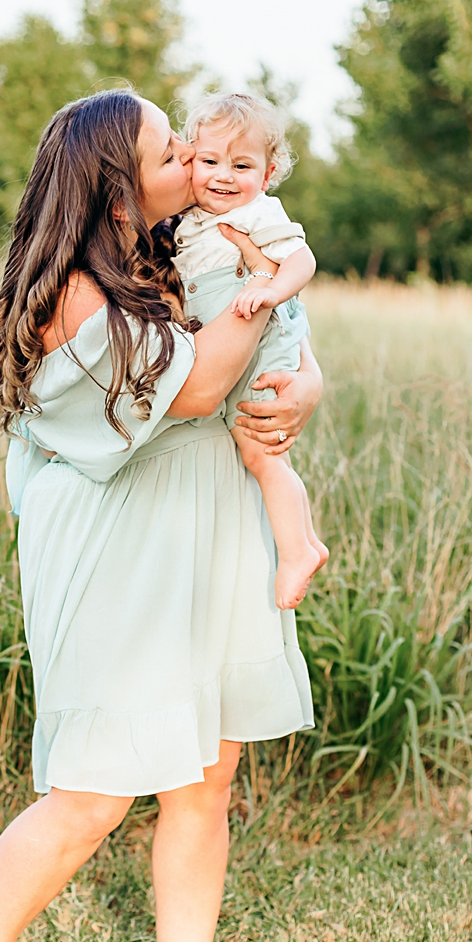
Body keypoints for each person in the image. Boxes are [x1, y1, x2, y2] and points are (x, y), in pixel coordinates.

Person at [0, 88, 319, 942]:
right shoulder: (71, 288)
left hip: (207, 513)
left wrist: (303, 381)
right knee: (95, 786)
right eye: (170, 150)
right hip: (115, 545)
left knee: (206, 776)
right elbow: (193, 384)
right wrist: (265, 286)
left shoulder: (181, 246)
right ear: (117, 185)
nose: (193, 159)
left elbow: (272, 351)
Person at [174, 92, 329, 610]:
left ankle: (295, 552)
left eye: (242, 166)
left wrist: (271, 289)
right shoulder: (189, 218)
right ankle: (305, 540)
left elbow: (301, 260)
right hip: (235, 334)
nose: (223, 175)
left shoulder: (259, 214)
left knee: (259, 449)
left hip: (265, 339)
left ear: (266, 175)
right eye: (210, 161)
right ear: (190, 159)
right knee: (257, 448)